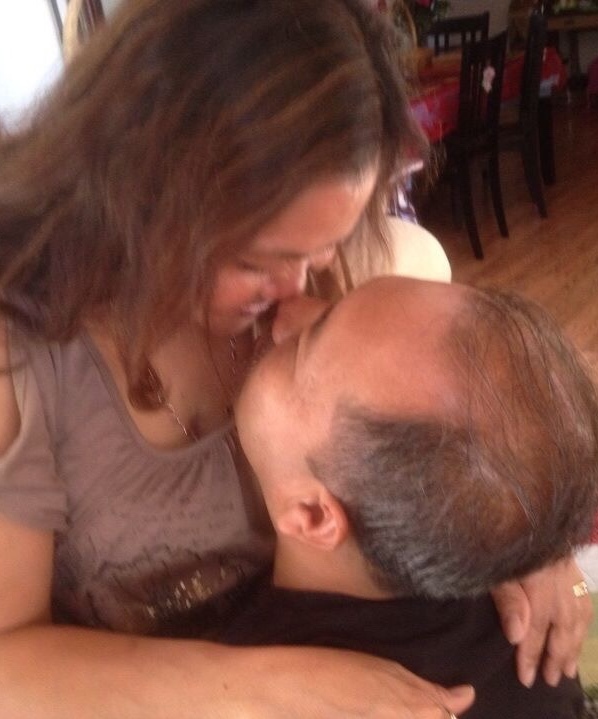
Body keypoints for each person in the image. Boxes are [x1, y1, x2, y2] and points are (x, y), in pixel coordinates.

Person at [0, 0, 589, 716]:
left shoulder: (327, 278)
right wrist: (254, 683)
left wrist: (520, 534)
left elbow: (463, 432)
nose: (295, 296)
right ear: (135, 193)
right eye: (258, 261)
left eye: (324, 249)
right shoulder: (24, 350)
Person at [225, 275, 598, 718]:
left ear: (313, 515)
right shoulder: (524, 633)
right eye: (334, 305)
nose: (289, 311)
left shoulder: (224, 685)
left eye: (302, 347)